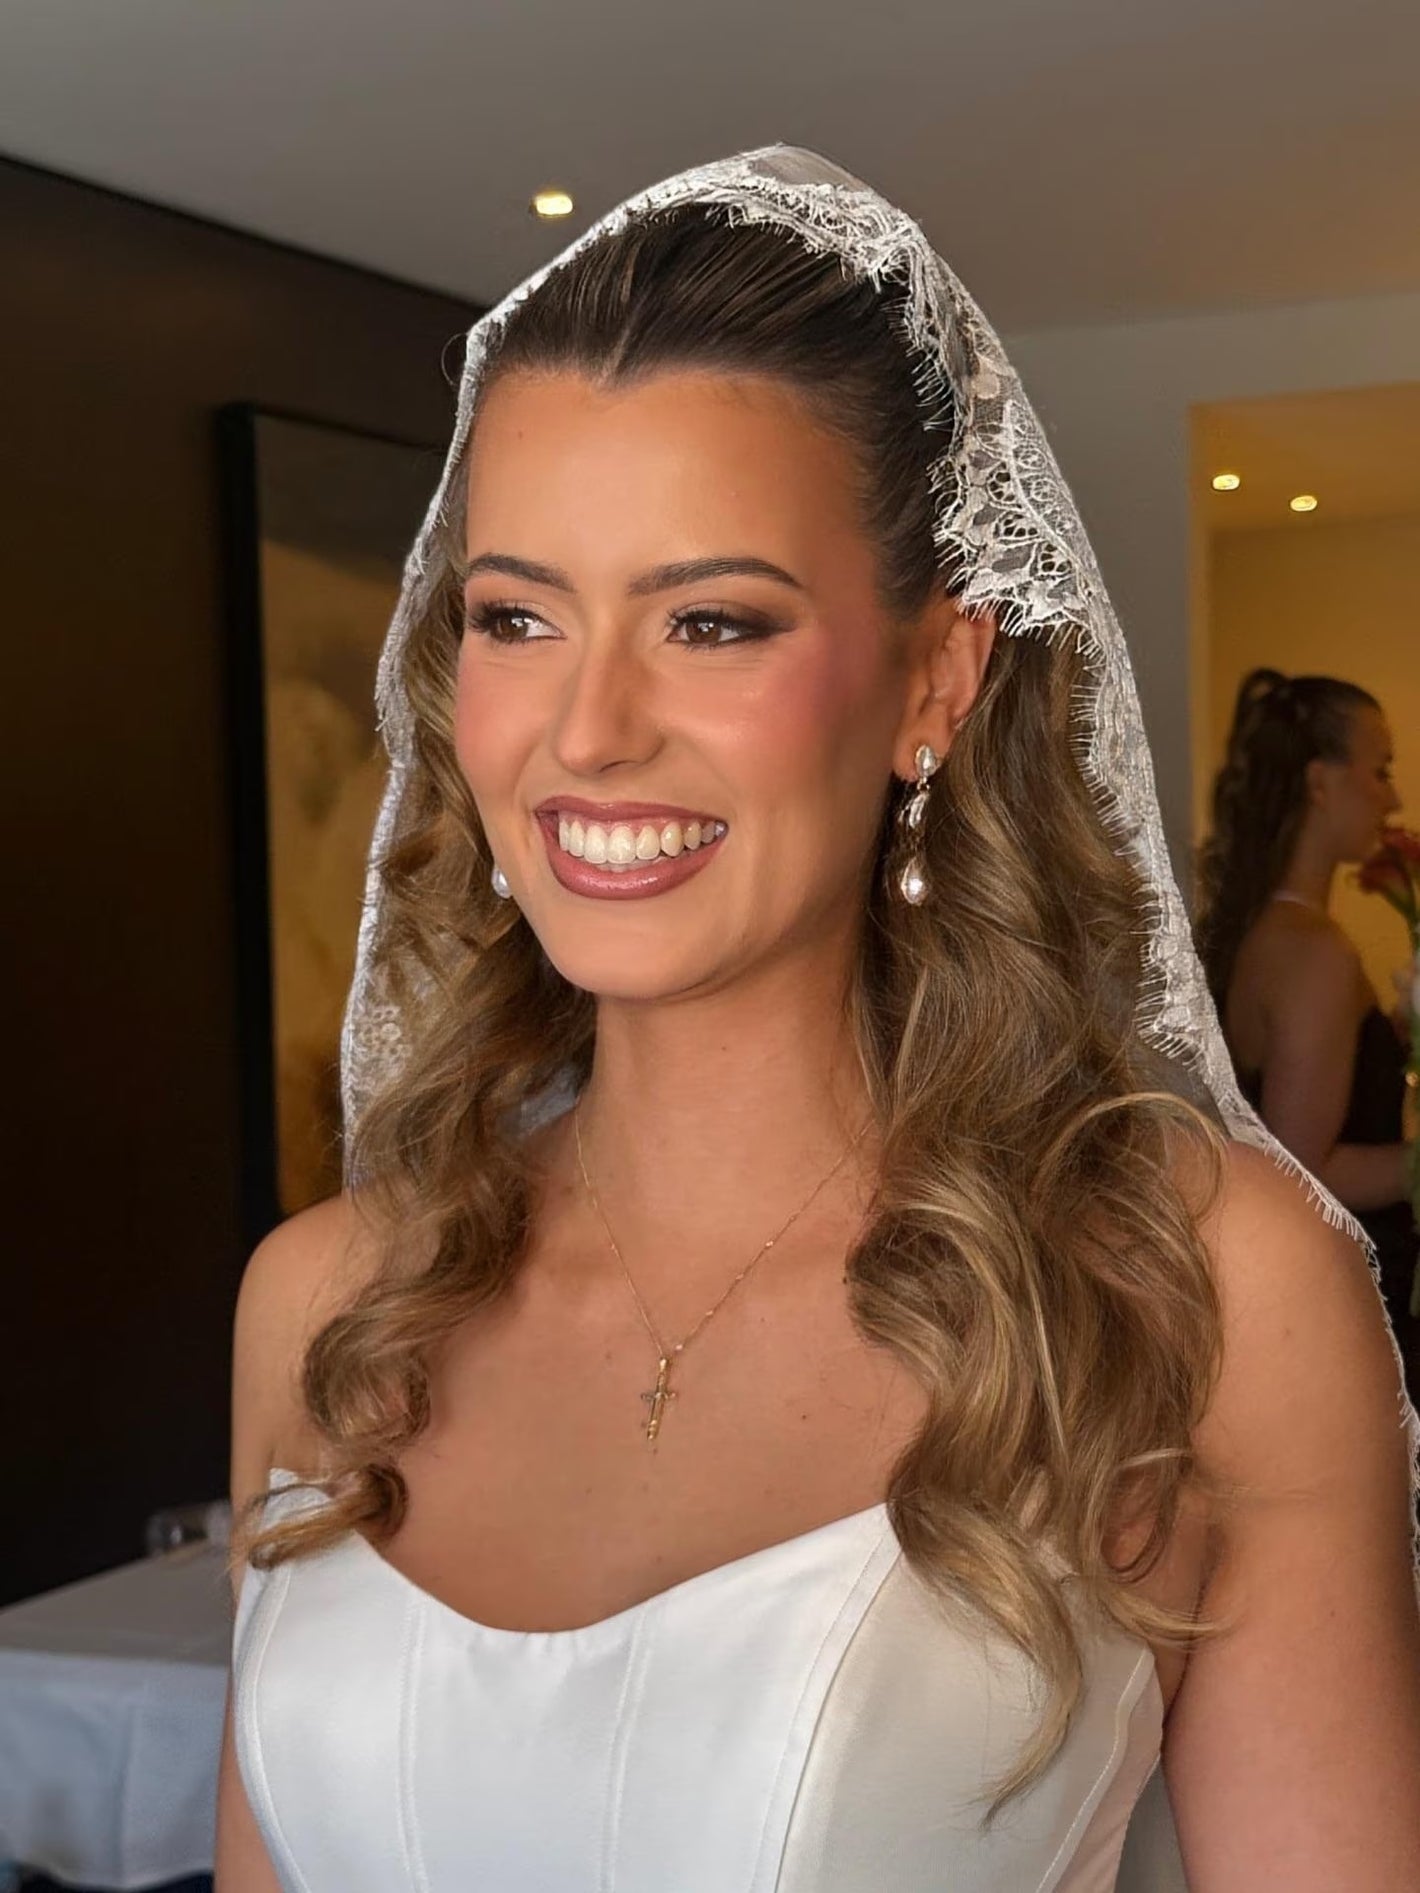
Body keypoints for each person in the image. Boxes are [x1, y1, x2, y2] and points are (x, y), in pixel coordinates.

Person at [215, 151, 1420, 1892]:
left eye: (710, 621)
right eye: (518, 616)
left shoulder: (1197, 1290)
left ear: (934, 677)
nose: (588, 732)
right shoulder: (327, 1299)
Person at [1197, 668, 1419, 1402]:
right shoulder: (1310, 951)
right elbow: (1301, 1171)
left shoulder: (1268, 931)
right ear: (1320, 781)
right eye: (1380, 769)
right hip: (1353, 1303)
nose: (1392, 798)